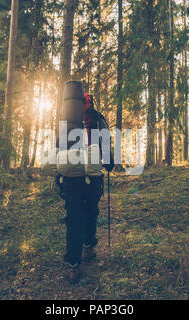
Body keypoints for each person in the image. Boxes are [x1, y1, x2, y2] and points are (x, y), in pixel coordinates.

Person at [58, 93, 114, 284]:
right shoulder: (98, 119)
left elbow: (58, 146)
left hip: (70, 177)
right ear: (90, 103)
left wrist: (59, 175)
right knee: (91, 212)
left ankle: (73, 265)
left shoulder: (66, 120)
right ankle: (88, 247)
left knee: (73, 218)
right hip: (93, 175)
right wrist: (109, 164)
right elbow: (105, 144)